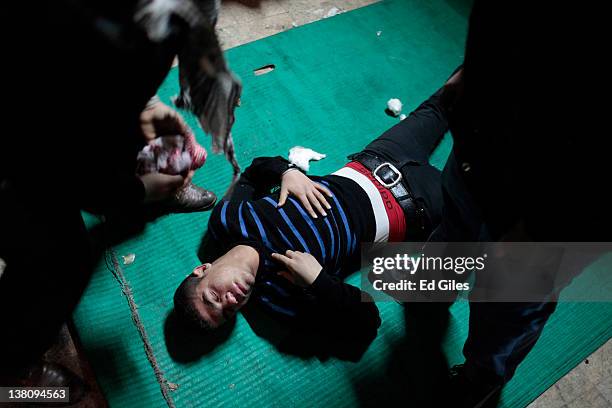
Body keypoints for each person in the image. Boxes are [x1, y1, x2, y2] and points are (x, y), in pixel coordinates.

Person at [0, 0, 240, 396]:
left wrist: (145, 104)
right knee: (60, 259)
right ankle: (13, 373)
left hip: (63, 107)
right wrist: (139, 191)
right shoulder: (81, 30)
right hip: (22, 146)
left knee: (124, 138)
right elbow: (59, 167)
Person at [173, 79, 456, 341]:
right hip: (417, 205)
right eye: (227, 313)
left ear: (202, 270)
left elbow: (253, 172)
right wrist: (318, 281)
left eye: (214, 297)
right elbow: (368, 321)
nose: (231, 302)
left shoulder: (226, 221)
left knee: (449, 96)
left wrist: (287, 172)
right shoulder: (280, 297)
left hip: (376, 158)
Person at [431, 2, 610, 407]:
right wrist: (472, 71)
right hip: (483, 135)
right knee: (455, 223)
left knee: (510, 298)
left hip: (566, 200)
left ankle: (482, 376)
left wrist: (549, 227)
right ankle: (436, 288)